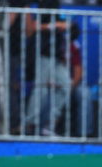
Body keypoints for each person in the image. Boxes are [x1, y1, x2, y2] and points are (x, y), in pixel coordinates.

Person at [23, 0, 74, 136]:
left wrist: (66, 26)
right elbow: (33, 27)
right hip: (44, 52)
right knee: (41, 89)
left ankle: (49, 125)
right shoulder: (47, 3)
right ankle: (29, 125)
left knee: (66, 85)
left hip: (56, 54)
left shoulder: (56, 4)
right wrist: (55, 25)